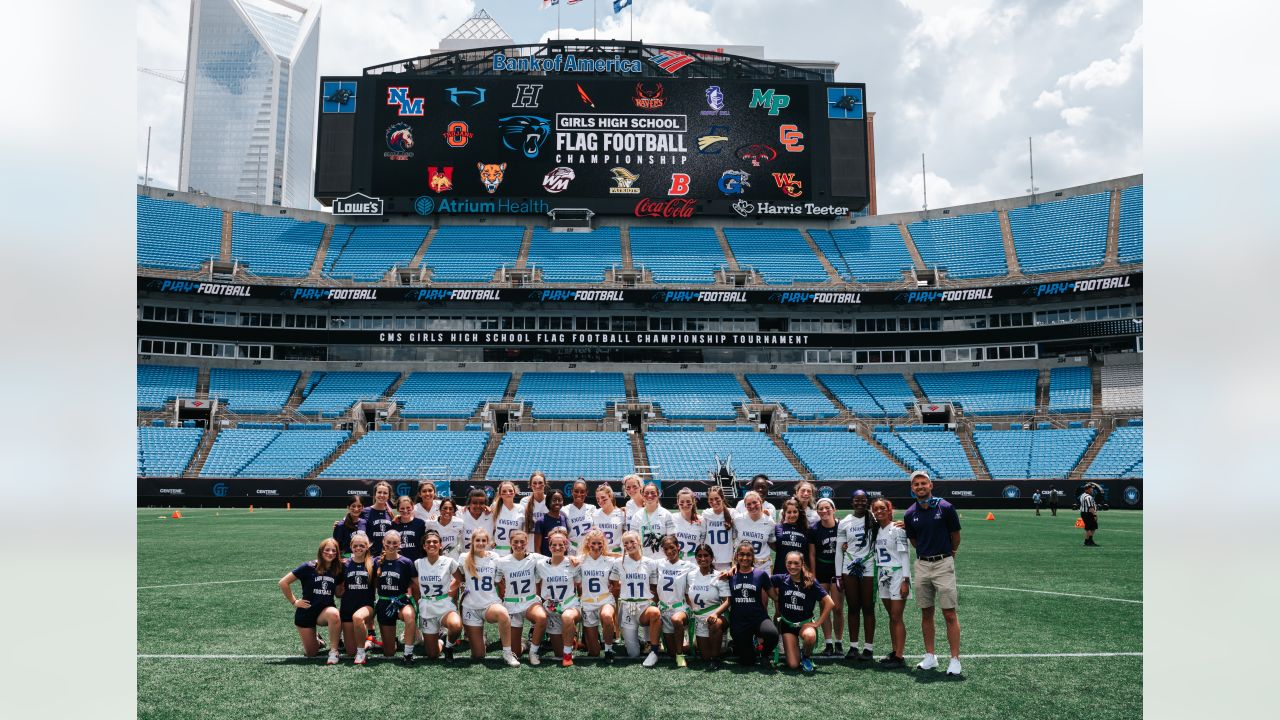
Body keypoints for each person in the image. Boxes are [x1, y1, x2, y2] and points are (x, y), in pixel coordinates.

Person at [903, 470, 963, 676]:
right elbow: (914, 540)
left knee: (949, 612)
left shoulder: (945, 507)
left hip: (943, 563)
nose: (920, 487)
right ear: (912, 488)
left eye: (923, 483)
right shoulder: (910, 513)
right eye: (916, 484)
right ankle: (930, 656)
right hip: (922, 564)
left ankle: (955, 659)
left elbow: (955, 536)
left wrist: (950, 555)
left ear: (931, 485)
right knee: (926, 611)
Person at [454, 528, 520, 667]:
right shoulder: (463, 558)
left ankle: (507, 653)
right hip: (470, 608)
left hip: (489, 604)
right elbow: (459, 577)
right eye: (477, 540)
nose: (481, 543)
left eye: (484, 540)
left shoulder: (494, 557)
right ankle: (481, 638)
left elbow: (504, 572)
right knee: (478, 655)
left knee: (503, 614)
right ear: (472, 542)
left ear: (488, 542)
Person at [279, 538, 344, 664]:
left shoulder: (337, 569)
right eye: (327, 550)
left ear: (337, 553)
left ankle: (334, 651)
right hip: (306, 612)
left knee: (335, 614)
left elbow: (337, 593)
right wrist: (294, 601)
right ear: (321, 551)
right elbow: (283, 582)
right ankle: (317, 640)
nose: (330, 553)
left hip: (324, 612)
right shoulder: (308, 566)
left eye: (333, 551)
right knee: (311, 653)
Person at [771, 551, 835, 674]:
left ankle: (806, 656)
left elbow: (830, 602)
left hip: (804, 625)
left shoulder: (810, 582)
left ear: (802, 564)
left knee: (810, 636)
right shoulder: (781, 579)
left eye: (796, 563)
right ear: (785, 564)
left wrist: (817, 624)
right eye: (789, 563)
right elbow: (761, 580)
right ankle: (796, 652)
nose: (792, 566)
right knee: (793, 665)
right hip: (787, 625)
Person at [835, 489, 877, 661]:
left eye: (863, 500)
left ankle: (868, 647)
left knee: (868, 607)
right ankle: (853, 646)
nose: (860, 503)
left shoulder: (874, 519)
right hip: (849, 566)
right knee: (853, 607)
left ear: (868, 501)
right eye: (856, 500)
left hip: (868, 565)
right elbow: (839, 550)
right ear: (851, 502)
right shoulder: (844, 522)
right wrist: (838, 575)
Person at [496, 529, 548, 665]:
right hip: (512, 605)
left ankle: (533, 652)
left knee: (542, 617)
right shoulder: (502, 561)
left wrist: (572, 558)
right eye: (515, 542)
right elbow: (497, 580)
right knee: (516, 652)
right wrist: (502, 589)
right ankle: (525, 644)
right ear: (510, 543)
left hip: (530, 601)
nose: (519, 545)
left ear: (527, 543)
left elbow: (555, 560)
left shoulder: (535, 558)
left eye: (522, 542)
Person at [871, 498, 911, 668]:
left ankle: (900, 656)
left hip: (896, 574)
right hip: (882, 575)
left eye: (882, 508)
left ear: (889, 510)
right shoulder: (877, 530)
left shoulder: (897, 530)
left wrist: (905, 580)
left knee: (896, 616)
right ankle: (895, 651)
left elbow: (904, 556)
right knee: (891, 617)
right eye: (876, 509)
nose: (879, 511)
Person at [727, 541, 779, 670]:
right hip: (739, 621)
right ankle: (738, 645)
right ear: (736, 557)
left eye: (748, 555)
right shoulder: (730, 576)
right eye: (742, 555)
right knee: (747, 661)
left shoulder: (760, 574)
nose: (745, 558)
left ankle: (765, 654)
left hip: (758, 618)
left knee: (773, 634)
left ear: (753, 557)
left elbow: (774, 596)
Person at [536, 528, 582, 666]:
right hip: (552, 607)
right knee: (557, 653)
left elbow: (579, 585)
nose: (557, 547)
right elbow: (537, 584)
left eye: (561, 545)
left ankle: (568, 655)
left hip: (569, 604)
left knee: (567, 617)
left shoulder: (573, 563)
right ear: (549, 547)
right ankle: (568, 640)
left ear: (566, 546)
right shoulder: (540, 564)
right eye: (554, 545)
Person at [371, 530, 418, 664]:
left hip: (401, 600)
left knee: (410, 615)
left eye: (395, 543)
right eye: (388, 543)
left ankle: (408, 653)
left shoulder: (406, 562)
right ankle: (393, 642)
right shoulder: (376, 562)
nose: (391, 546)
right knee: (389, 652)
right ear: (383, 543)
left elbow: (416, 583)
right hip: (384, 603)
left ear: (400, 544)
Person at [413, 530, 462, 661]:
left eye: (435, 542)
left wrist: (450, 589)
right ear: (424, 546)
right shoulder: (418, 563)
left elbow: (459, 579)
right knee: (432, 655)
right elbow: (414, 585)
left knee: (456, 625)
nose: (432, 544)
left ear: (440, 545)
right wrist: (419, 600)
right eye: (428, 542)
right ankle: (441, 641)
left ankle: (449, 647)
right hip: (427, 606)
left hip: (443, 604)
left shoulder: (449, 561)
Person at [617, 530, 663, 666]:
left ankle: (654, 650)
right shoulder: (618, 562)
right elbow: (613, 585)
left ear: (639, 543)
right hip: (626, 607)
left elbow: (654, 587)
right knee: (633, 654)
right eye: (626, 543)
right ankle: (640, 641)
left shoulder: (650, 563)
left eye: (632, 542)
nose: (629, 545)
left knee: (655, 613)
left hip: (644, 606)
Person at [576, 528, 621, 659]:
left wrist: (611, 554)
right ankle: (595, 645)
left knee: (607, 616)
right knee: (594, 653)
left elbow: (626, 557)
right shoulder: (580, 560)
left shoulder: (610, 561)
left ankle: (608, 649)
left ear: (603, 543)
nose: (596, 546)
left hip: (605, 600)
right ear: (587, 544)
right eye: (593, 543)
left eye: (599, 543)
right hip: (588, 604)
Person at [686, 543, 731, 670]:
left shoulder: (719, 576)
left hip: (717, 615)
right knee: (705, 657)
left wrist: (715, 614)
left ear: (711, 558)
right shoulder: (691, 575)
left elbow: (728, 601)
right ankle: (721, 647)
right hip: (700, 619)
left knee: (715, 624)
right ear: (695, 558)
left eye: (706, 555)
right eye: (699, 556)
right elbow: (686, 594)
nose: (702, 559)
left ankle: (716, 657)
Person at [809, 497, 844, 656]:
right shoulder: (814, 529)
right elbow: (812, 553)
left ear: (834, 509)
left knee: (837, 608)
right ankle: (828, 643)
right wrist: (814, 576)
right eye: (820, 509)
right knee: (824, 608)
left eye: (827, 508)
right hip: (822, 570)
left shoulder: (842, 526)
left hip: (837, 571)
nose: (824, 511)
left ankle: (839, 642)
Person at [655, 534, 694, 667]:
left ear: (678, 547)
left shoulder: (687, 565)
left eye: (672, 547)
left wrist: (729, 571)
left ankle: (680, 655)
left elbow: (707, 570)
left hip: (680, 607)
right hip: (664, 609)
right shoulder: (659, 564)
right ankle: (690, 645)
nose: (669, 551)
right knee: (670, 652)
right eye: (665, 549)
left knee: (677, 620)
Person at [339, 532, 376, 665]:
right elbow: (338, 589)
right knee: (349, 651)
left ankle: (361, 652)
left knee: (358, 617)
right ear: (350, 546)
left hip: (366, 606)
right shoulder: (344, 564)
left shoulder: (373, 563)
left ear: (367, 547)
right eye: (355, 545)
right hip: (347, 606)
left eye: (362, 545)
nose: (358, 548)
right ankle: (368, 642)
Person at [630, 482, 675, 560]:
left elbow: (672, 539)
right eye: (646, 493)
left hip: (662, 559)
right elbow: (633, 540)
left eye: (653, 493)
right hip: (643, 559)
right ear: (642, 495)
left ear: (658, 495)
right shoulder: (637, 516)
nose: (649, 495)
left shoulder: (666, 514)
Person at [734, 491, 777, 571]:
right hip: (742, 564)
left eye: (755, 502)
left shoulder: (770, 522)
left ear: (760, 502)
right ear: (745, 506)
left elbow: (771, 541)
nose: (752, 506)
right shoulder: (738, 519)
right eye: (748, 504)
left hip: (762, 565)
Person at [701, 485, 737, 571]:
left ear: (722, 498)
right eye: (711, 500)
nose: (714, 502)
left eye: (717, 499)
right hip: (709, 560)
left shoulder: (732, 513)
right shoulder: (706, 514)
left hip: (727, 560)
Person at [772, 497, 810, 575]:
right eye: (789, 512)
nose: (792, 515)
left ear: (799, 513)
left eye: (795, 512)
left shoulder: (806, 529)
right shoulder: (777, 527)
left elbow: (809, 552)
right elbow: (771, 543)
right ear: (784, 513)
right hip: (780, 571)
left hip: (800, 573)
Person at [361, 481, 396, 556]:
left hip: (387, 555)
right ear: (375, 494)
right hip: (369, 555)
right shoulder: (365, 512)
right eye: (379, 492)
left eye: (385, 493)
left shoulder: (390, 513)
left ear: (389, 495)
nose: (382, 495)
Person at [562, 479, 598, 553]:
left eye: (582, 492)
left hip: (589, 549)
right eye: (576, 491)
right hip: (572, 549)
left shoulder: (592, 508)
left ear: (586, 493)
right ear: (571, 491)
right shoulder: (564, 510)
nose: (579, 494)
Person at [591, 483, 628, 554]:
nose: (600, 501)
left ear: (610, 496)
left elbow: (625, 535)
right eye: (597, 499)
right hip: (600, 554)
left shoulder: (622, 514)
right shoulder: (595, 514)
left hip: (616, 554)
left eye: (603, 497)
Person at [671, 488, 706, 560]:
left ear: (693, 502)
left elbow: (702, 543)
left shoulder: (701, 520)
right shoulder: (672, 518)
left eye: (688, 501)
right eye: (682, 501)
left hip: (695, 563)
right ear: (677, 502)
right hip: (677, 562)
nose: (685, 504)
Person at [532, 489, 569, 556]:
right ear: (548, 501)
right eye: (554, 500)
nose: (557, 502)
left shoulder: (565, 519)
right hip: (547, 562)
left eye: (560, 500)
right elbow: (537, 548)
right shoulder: (541, 521)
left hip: (562, 561)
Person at [490, 481, 524, 554]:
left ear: (515, 492)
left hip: (516, 551)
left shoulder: (521, 508)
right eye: (504, 491)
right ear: (500, 494)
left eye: (510, 491)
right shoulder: (494, 506)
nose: (508, 493)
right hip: (498, 551)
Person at [390, 495, 426, 562]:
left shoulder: (420, 524)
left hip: (417, 562)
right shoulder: (394, 525)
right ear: (397, 509)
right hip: (399, 563)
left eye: (408, 508)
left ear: (412, 507)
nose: (405, 510)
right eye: (402, 508)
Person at [460, 487, 494, 554]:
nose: (478, 506)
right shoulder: (460, 514)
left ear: (485, 504)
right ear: (469, 503)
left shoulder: (492, 516)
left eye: (481, 503)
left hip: (486, 558)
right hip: (467, 557)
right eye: (474, 503)